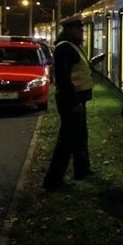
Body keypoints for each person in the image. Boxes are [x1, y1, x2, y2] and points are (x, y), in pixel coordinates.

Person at [43, 16, 94, 191]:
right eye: (79, 28)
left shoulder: (72, 46)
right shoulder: (64, 47)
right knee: (66, 140)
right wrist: (74, 102)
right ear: (70, 29)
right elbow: (64, 79)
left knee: (80, 136)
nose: (82, 31)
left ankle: (82, 169)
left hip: (78, 99)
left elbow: (76, 69)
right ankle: (53, 181)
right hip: (71, 101)